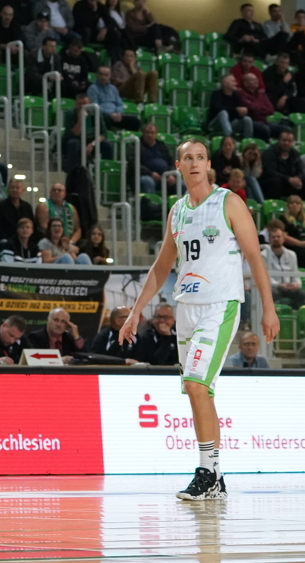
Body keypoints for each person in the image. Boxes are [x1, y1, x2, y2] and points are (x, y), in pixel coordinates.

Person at [118, 138, 278, 500]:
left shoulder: (228, 202)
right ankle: (216, 476)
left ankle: (206, 471)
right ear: (178, 165)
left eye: (200, 157)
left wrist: (268, 308)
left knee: (194, 385)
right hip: (186, 308)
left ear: (208, 165)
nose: (194, 163)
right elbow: (161, 267)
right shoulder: (177, 211)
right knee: (199, 391)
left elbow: (255, 257)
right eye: (188, 158)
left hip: (219, 306)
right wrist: (135, 312)